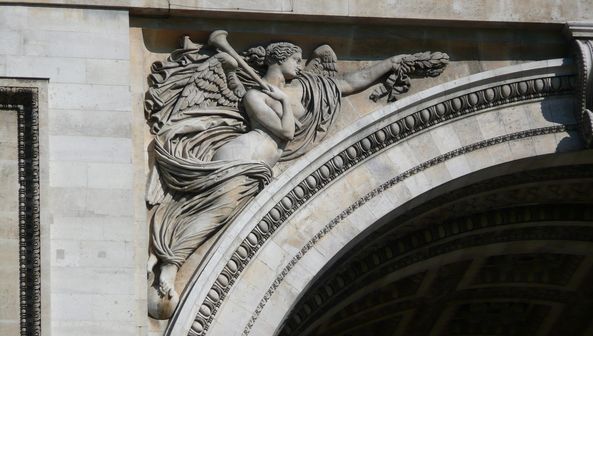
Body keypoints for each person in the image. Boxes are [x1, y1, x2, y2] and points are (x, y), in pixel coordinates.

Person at [147, 40, 402, 319]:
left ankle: (171, 262)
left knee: (216, 213)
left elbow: (349, 84)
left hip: (258, 166)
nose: (301, 65)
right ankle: (170, 266)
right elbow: (286, 131)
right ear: (278, 60)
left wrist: (390, 64)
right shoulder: (254, 96)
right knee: (215, 212)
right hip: (241, 158)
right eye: (296, 59)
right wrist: (281, 100)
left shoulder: (305, 88)